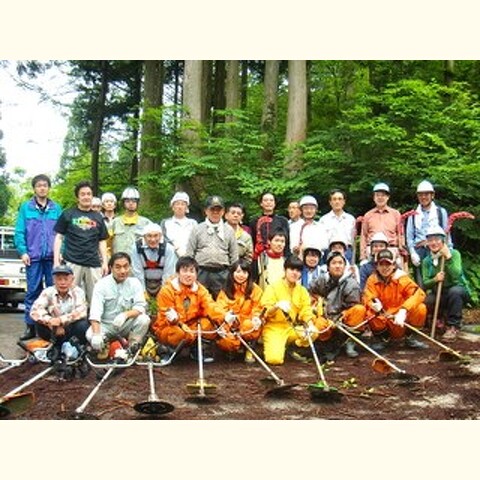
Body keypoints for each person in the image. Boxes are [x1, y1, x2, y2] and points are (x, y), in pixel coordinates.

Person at [14, 174, 62, 341]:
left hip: (51, 258)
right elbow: (19, 232)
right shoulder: (26, 208)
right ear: (34, 188)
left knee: (53, 292)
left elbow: (61, 234)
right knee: (33, 291)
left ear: (49, 188)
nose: (42, 188)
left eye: (45, 185)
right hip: (33, 257)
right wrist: (23, 251)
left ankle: (51, 327)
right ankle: (31, 327)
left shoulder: (56, 208)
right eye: (39, 185)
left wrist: (60, 252)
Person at [152, 256, 227, 363]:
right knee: (178, 333)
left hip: (191, 326)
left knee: (209, 325)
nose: (188, 274)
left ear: (196, 275)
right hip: (170, 326)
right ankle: (169, 351)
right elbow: (165, 316)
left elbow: (211, 306)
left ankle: (196, 349)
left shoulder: (201, 290)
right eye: (185, 271)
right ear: (178, 273)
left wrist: (224, 316)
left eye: (192, 271)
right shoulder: (167, 290)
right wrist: (177, 321)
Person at [260, 256, 333, 365]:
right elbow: (265, 312)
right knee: (274, 360)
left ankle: (293, 348)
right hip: (274, 328)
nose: (295, 273)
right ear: (285, 270)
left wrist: (310, 324)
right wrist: (276, 306)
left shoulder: (302, 290)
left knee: (313, 332)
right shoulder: (273, 287)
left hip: (291, 328)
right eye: (292, 269)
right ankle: (276, 346)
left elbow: (306, 310)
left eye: (298, 270)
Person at [53, 180, 109, 304]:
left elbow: (102, 241)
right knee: (69, 296)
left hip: (93, 263)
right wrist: (56, 261)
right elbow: (58, 237)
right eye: (83, 194)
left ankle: (93, 323)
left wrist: (105, 262)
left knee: (96, 298)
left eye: (89, 194)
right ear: (77, 197)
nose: (86, 197)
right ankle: (69, 322)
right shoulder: (68, 214)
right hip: (72, 262)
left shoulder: (98, 217)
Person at [87, 252, 150, 356]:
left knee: (144, 319)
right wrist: (97, 334)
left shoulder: (135, 283)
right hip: (107, 325)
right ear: (111, 267)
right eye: (118, 267)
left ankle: (132, 349)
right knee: (90, 335)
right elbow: (95, 312)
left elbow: (140, 307)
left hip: (126, 323)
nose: (123, 271)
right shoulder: (101, 285)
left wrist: (125, 315)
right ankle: (105, 349)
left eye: (126, 267)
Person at [363, 249, 427, 351]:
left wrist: (404, 310)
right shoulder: (372, 280)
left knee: (420, 308)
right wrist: (372, 305)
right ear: (377, 266)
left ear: (393, 265)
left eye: (388, 264)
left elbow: (418, 294)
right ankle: (383, 339)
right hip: (384, 318)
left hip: (401, 319)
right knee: (369, 313)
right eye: (381, 264)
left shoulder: (402, 278)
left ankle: (411, 338)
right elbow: (367, 296)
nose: (385, 268)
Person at [310, 251, 367, 358]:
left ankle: (349, 341)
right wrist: (317, 303)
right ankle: (326, 344)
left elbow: (353, 306)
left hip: (342, 320)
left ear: (345, 266)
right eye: (334, 263)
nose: (337, 266)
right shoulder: (322, 279)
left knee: (359, 310)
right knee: (318, 323)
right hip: (325, 316)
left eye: (340, 263)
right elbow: (310, 292)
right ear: (328, 266)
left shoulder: (351, 284)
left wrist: (339, 319)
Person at [30, 264, 89, 357]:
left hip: (71, 328)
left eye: (66, 279)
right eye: (59, 279)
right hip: (52, 328)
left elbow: (81, 311)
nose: (62, 283)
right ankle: (56, 346)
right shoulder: (48, 292)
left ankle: (76, 347)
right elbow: (35, 310)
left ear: (72, 279)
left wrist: (61, 320)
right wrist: (50, 321)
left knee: (83, 324)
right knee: (39, 323)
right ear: (54, 280)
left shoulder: (78, 292)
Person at [186, 195, 238, 299]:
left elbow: (234, 254)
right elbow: (190, 253)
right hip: (201, 271)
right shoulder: (197, 229)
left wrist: (233, 273)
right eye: (212, 209)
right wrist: (190, 272)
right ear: (206, 211)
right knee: (199, 300)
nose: (215, 212)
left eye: (218, 209)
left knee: (222, 301)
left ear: (223, 212)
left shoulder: (229, 230)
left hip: (222, 272)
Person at [422, 225, 468, 342]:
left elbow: (456, 275)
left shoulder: (455, 254)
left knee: (455, 292)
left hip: (456, 290)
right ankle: (438, 319)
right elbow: (425, 283)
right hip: (439, 292)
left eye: (437, 239)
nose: (434, 243)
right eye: (430, 240)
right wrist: (435, 280)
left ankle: (453, 326)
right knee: (427, 300)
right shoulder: (427, 261)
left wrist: (448, 258)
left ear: (443, 240)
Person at [215, 259, 264, 363]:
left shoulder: (256, 290)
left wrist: (256, 317)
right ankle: (233, 349)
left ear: (249, 274)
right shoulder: (225, 290)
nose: (241, 275)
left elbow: (258, 307)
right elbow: (219, 309)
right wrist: (226, 317)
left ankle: (249, 348)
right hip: (231, 326)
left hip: (247, 324)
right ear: (232, 273)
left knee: (250, 325)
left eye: (244, 272)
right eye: (238, 272)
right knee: (225, 339)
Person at [406, 180, 449, 287]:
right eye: (420, 194)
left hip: (437, 248)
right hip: (419, 250)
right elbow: (410, 237)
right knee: (420, 283)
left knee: (438, 280)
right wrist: (412, 253)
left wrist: (449, 250)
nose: (423, 197)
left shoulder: (440, 212)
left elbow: (447, 233)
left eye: (426, 194)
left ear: (432, 195)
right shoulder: (413, 214)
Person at [359, 182, 403, 262]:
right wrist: (363, 255)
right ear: (374, 197)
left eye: (383, 195)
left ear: (388, 197)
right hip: (372, 250)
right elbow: (364, 236)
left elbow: (400, 233)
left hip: (391, 249)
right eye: (377, 195)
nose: (380, 198)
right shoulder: (368, 215)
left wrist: (401, 250)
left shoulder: (396, 214)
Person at [131, 222, 176, 299]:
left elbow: (168, 273)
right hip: (143, 281)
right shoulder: (136, 248)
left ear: (161, 236)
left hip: (163, 282)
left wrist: (163, 292)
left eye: (156, 236)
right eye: (149, 236)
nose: (153, 239)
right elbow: (137, 271)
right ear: (144, 237)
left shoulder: (168, 249)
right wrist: (143, 291)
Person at [318, 189, 356, 263]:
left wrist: (353, 261)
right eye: (334, 199)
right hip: (329, 252)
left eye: (340, 199)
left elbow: (353, 242)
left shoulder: (350, 219)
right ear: (330, 202)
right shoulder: (323, 220)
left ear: (344, 202)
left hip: (347, 252)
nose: (337, 202)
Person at [111, 186, 151, 255]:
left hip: (139, 263)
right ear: (123, 203)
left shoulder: (146, 223)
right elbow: (106, 244)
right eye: (127, 201)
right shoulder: (115, 222)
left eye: (134, 201)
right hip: (119, 263)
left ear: (137, 203)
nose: (131, 203)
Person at [250, 192, 290, 260]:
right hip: (259, 256)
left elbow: (287, 241)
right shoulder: (254, 221)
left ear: (274, 203)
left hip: (279, 256)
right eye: (265, 200)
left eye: (271, 200)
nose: (268, 202)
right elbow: (252, 241)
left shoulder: (283, 220)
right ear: (261, 203)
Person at [161, 191, 198, 261]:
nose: (180, 207)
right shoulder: (165, 223)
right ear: (172, 207)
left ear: (186, 207)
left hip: (189, 259)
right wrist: (176, 248)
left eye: (183, 204)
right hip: (170, 259)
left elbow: (196, 241)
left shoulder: (193, 223)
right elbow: (163, 239)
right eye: (177, 204)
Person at [101, 192, 117, 259]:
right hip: (103, 253)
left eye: (111, 201)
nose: (109, 203)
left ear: (115, 205)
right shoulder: (99, 220)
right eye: (106, 201)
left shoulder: (119, 220)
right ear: (103, 205)